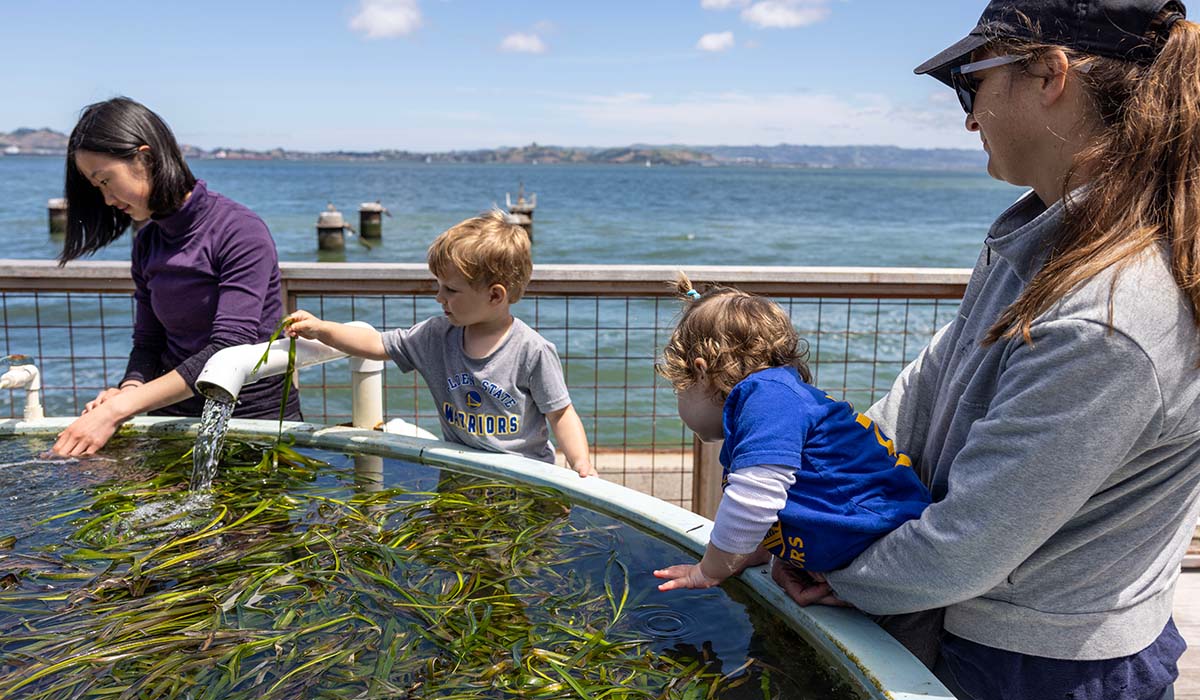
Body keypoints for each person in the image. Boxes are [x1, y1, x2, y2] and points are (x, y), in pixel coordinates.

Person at [771, 2, 1200, 699]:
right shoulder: (1046, 239)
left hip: (1041, 668)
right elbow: (926, 390)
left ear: (1050, 75)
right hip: (996, 639)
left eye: (971, 83)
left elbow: (968, 544)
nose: (969, 118)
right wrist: (813, 494)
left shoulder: (1111, 316)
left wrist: (835, 572)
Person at [651, 275, 938, 664]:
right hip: (876, 562)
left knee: (899, 665)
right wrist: (755, 552)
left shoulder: (764, 396)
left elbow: (754, 500)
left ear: (700, 372)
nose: (680, 401)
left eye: (678, 389)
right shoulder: (778, 396)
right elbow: (791, 498)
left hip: (898, 568)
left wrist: (711, 568)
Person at [52, 97, 299, 458]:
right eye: (97, 188)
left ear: (146, 158)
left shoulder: (240, 230)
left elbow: (228, 349)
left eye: (106, 181)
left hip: (253, 425)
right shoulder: (148, 240)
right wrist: (129, 388)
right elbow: (148, 341)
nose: (106, 200)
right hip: (171, 423)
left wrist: (120, 409)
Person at [286, 210, 596, 477]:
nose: (439, 297)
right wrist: (323, 329)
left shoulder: (532, 350)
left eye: (450, 289)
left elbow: (560, 413)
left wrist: (581, 463)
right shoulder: (436, 336)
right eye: (438, 286)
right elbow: (377, 344)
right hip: (460, 472)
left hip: (526, 476)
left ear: (494, 296)